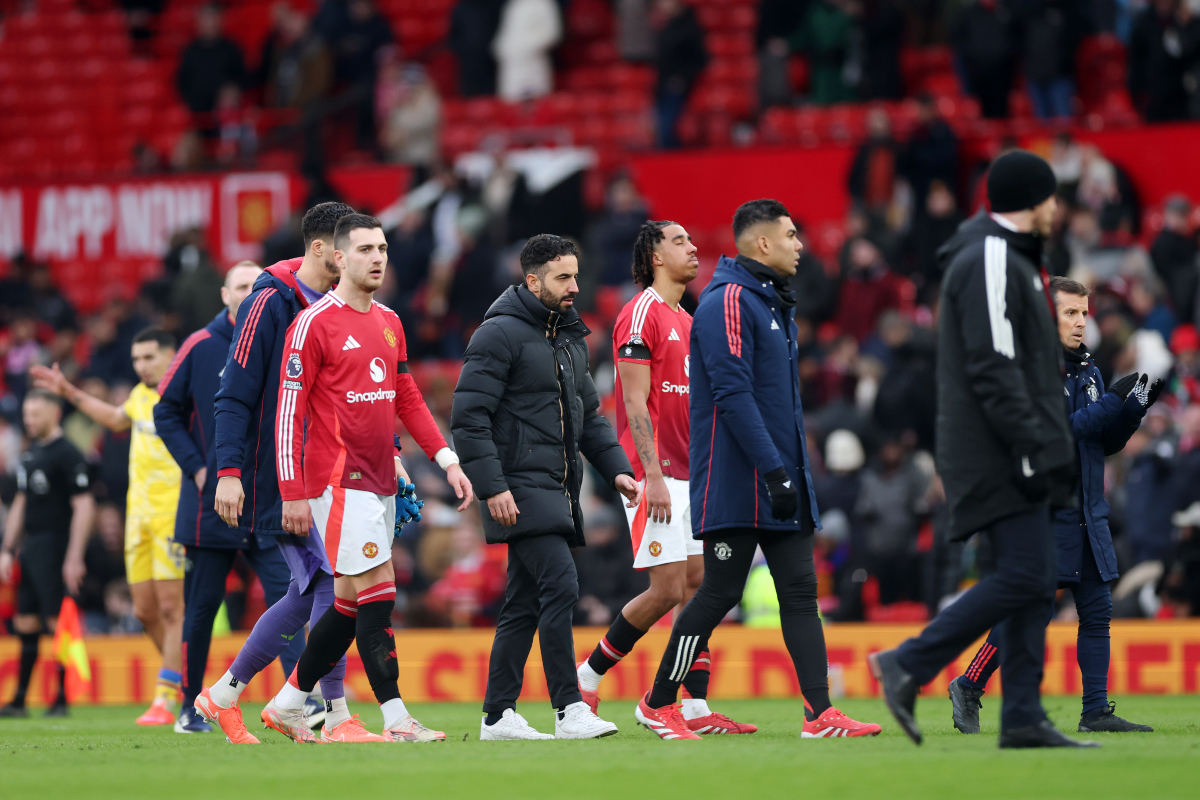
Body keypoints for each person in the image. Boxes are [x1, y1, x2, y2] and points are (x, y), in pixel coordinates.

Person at [869, 150, 1096, 749]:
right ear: (1034, 199)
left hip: (1007, 445)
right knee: (1027, 574)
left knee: (1035, 577)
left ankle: (1021, 714)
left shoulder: (1008, 256)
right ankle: (909, 663)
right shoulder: (994, 257)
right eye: (1052, 198)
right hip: (999, 449)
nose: (1059, 208)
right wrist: (1039, 445)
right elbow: (995, 368)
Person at [634, 199, 881, 740]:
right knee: (719, 594)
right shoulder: (729, 299)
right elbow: (731, 392)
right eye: (791, 235)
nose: (800, 245)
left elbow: (775, 404)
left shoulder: (772, 304)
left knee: (799, 593)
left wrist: (790, 472)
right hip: (736, 481)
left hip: (778, 478)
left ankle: (820, 713)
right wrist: (774, 469)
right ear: (762, 243)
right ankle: (656, 702)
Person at [260, 213, 473, 743]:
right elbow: (287, 414)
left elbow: (406, 397)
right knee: (377, 593)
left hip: (379, 479)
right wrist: (292, 492)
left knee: (353, 602)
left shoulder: (390, 320)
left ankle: (287, 703)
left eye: (382, 248)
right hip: (335, 480)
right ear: (338, 258)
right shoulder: (313, 324)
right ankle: (397, 719)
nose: (378, 258)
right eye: (364, 250)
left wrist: (446, 459)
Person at [949, 277, 1160, 735]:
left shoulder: (1087, 370)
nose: (1081, 322)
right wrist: (1111, 402)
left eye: (1084, 313)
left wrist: (1134, 409)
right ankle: (969, 683)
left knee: (1098, 610)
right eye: (1070, 313)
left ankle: (1096, 711)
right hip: (1043, 510)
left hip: (1086, 508)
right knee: (1034, 609)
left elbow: (1102, 442)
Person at [452, 234, 642, 740]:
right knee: (561, 585)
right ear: (532, 280)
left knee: (525, 600)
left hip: (555, 484)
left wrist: (617, 467)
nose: (574, 286)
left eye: (576, 276)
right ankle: (568, 708)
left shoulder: (569, 336)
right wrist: (493, 487)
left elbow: (590, 417)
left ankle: (498, 715)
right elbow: (469, 420)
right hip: (517, 484)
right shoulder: (497, 335)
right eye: (563, 277)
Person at [575, 221, 756, 735]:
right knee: (669, 588)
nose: (693, 248)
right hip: (655, 475)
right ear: (654, 257)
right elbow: (632, 400)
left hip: (692, 475)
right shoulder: (640, 314)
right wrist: (650, 474)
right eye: (679, 242)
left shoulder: (688, 318)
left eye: (692, 241)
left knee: (701, 586)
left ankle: (695, 708)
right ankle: (588, 674)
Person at [194, 202, 359, 743]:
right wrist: (229, 472)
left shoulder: (341, 303)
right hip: (280, 475)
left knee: (317, 588)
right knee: (332, 587)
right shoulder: (269, 303)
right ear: (319, 249)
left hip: (329, 471)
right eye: (347, 248)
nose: (356, 258)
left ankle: (224, 696)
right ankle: (329, 715)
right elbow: (233, 394)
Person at [152, 262, 301, 734]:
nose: (248, 293)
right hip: (210, 501)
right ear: (224, 294)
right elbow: (164, 411)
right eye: (240, 286)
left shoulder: (284, 332)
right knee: (202, 608)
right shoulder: (199, 345)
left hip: (267, 496)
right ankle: (189, 707)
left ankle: (298, 700)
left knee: (290, 597)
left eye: (255, 285)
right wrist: (198, 469)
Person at [30, 330, 186, 726]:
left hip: (172, 514)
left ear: (171, 355)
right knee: (145, 609)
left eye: (150, 357)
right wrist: (68, 391)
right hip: (138, 516)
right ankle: (185, 679)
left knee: (171, 607)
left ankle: (167, 694)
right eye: (137, 359)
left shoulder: (186, 395)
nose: (142, 366)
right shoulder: (138, 395)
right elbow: (116, 419)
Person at [0, 390, 95, 717]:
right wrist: (7, 548)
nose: (28, 420)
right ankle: (20, 700)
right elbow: (21, 503)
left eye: (35, 414)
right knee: (25, 622)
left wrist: (74, 555)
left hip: (56, 545)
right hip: (31, 547)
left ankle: (62, 698)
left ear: (54, 414)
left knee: (57, 621)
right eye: (26, 413)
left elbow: (84, 506)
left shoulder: (68, 453)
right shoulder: (31, 453)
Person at [175, 3, 247, 117]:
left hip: (226, 114)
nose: (209, 23)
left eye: (213, 18)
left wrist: (232, 91)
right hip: (196, 115)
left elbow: (242, 79)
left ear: (220, 20)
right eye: (205, 19)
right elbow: (182, 82)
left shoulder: (232, 49)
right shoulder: (189, 51)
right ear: (199, 22)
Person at [491, 0, 562, 102]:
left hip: (534, 63)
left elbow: (552, 34)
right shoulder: (513, 5)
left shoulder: (543, 4)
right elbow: (507, 33)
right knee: (511, 107)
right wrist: (501, 49)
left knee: (537, 104)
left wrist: (526, 47)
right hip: (511, 66)